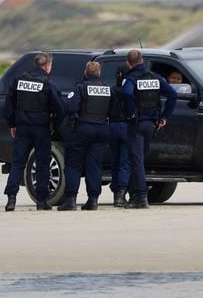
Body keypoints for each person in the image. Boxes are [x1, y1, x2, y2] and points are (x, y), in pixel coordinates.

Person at [3, 52, 64, 211]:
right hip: (41, 129)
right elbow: (60, 108)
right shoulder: (48, 83)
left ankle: (11, 199)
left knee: (17, 163)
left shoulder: (19, 80)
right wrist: (54, 125)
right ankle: (42, 201)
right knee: (42, 164)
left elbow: (8, 105)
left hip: (22, 127)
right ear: (48, 66)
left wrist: (12, 124)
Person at [122, 49, 177, 209]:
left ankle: (140, 197)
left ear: (128, 63)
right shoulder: (156, 78)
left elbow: (126, 94)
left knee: (136, 161)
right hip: (151, 124)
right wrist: (164, 117)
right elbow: (173, 95)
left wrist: (131, 113)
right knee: (139, 160)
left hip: (137, 124)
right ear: (142, 61)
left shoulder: (131, 78)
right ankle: (135, 195)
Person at [59, 61, 111, 211]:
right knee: (94, 166)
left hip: (82, 129)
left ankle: (70, 200)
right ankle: (93, 200)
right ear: (99, 73)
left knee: (73, 165)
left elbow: (69, 107)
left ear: (85, 73)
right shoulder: (107, 89)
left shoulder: (81, 87)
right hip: (101, 130)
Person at [108, 64, 130, 207]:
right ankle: (121, 194)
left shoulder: (110, 90)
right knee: (125, 163)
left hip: (112, 127)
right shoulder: (130, 90)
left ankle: (116, 193)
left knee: (115, 162)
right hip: (127, 127)